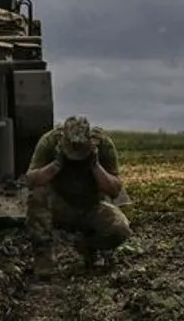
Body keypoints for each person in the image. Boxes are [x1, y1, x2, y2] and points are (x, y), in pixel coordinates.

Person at [23, 115, 131, 277]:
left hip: (92, 205)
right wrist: (56, 165)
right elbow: (30, 180)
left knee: (120, 228)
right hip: (59, 203)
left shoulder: (103, 144)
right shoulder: (50, 141)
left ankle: (89, 247)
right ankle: (44, 260)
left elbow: (114, 189)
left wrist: (95, 165)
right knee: (38, 196)